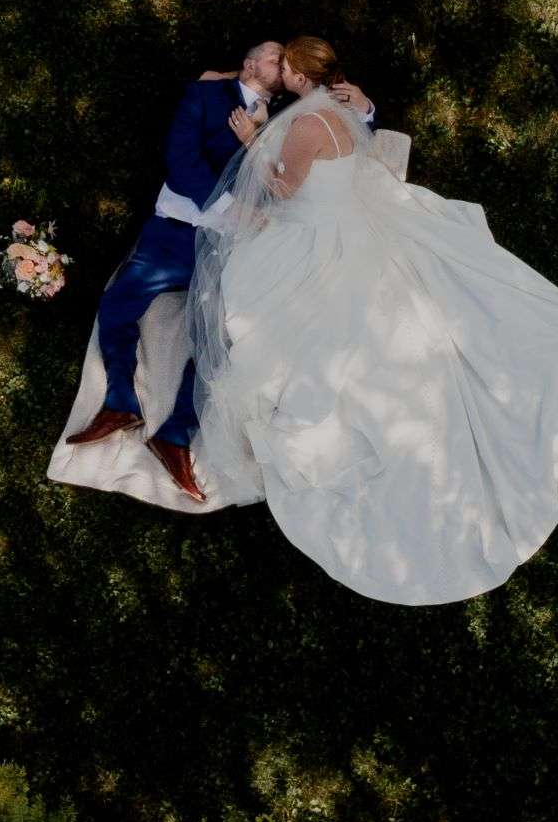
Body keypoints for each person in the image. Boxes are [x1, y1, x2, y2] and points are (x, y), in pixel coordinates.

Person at [186, 36, 558, 604]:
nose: (281, 70)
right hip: (356, 220)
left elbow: (283, 189)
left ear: (296, 75)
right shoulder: (344, 106)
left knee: (262, 295)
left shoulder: (302, 128)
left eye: (286, 65)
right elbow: (356, 136)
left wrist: (251, 143)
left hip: (318, 236)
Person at [56, 40, 375, 500]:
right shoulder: (204, 97)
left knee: (225, 336)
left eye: (286, 61)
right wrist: (233, 208)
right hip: (182, 230)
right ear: (249, 64)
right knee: (119, 302)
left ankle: (176, 435)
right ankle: (120, 402)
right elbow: (182, 166)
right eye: (274, 57)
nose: (281, 62)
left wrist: (365, 106)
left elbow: (344, 125)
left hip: (244, 244)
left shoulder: (291, 105)